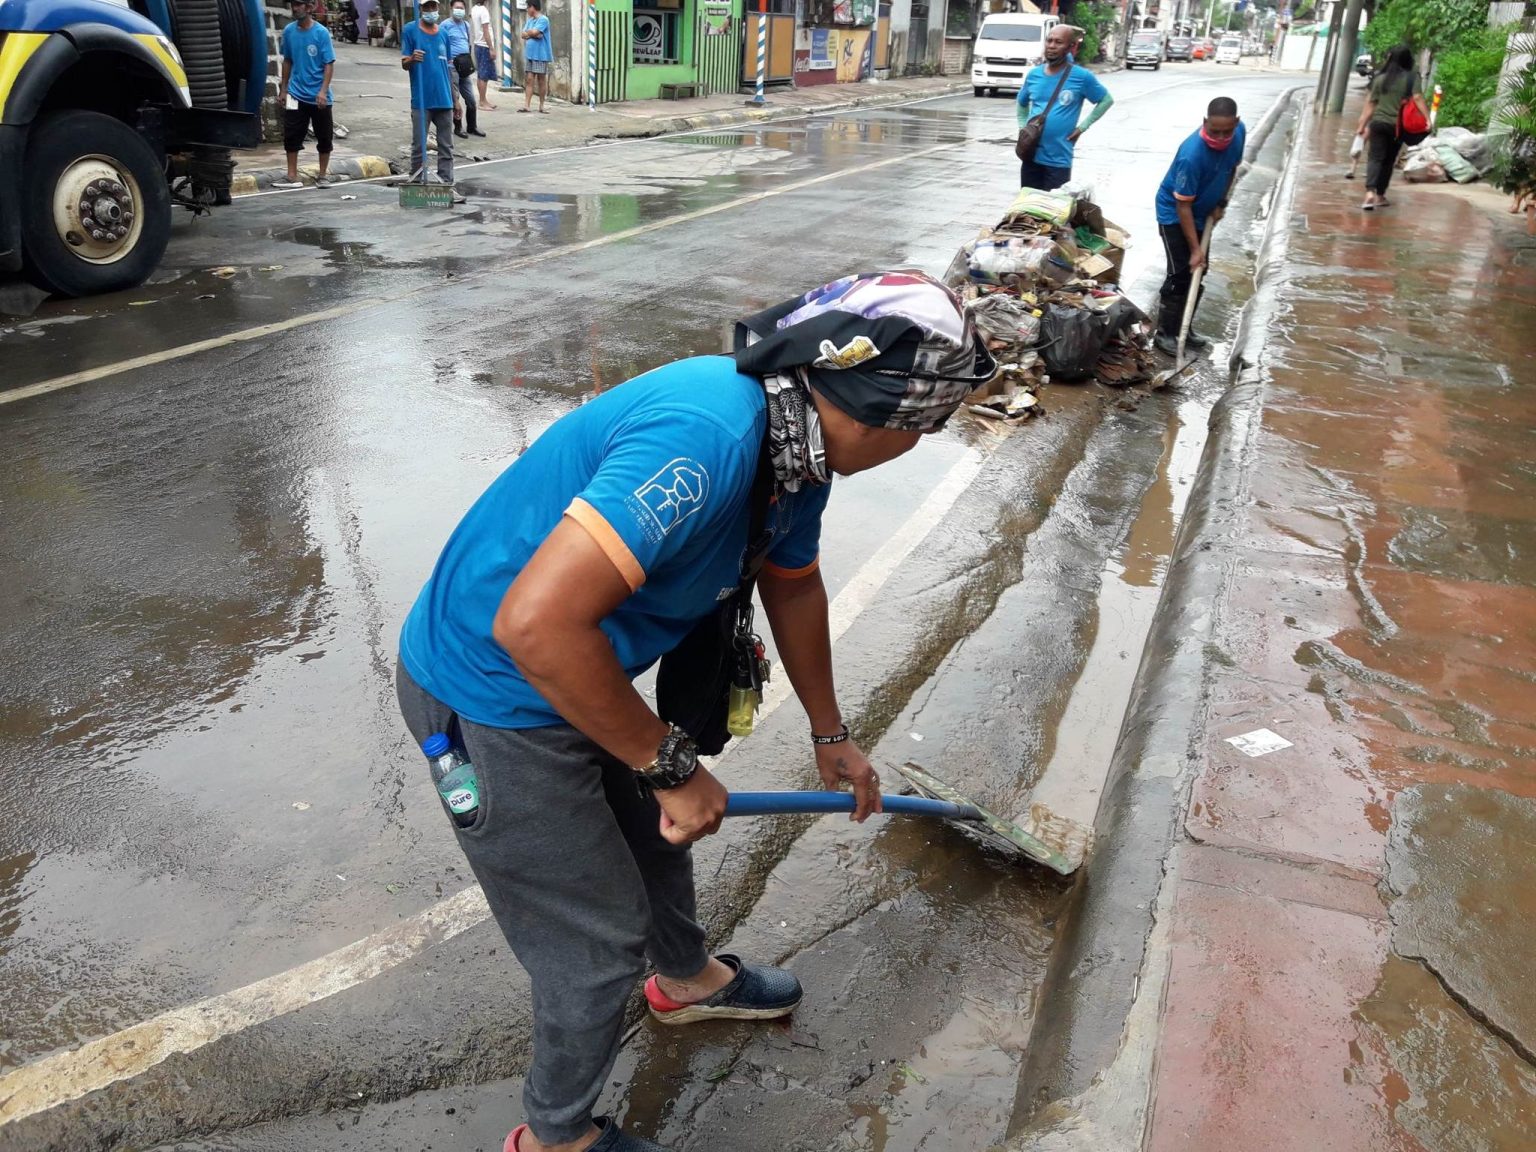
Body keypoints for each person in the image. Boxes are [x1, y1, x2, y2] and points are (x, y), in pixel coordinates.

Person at [395, 270, 994, 1152]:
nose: (918, 444)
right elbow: (536, 626)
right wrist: (669, 764)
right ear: (883, 416)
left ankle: (685, 980)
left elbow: (793, 583)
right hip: (493, 695)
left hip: (578, 674)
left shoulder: (796, 446)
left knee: (655, 844)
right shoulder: (707, 435)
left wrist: (831, 734)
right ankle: (557, 1136)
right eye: (925, 427)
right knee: (593, 944)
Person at [1152, 96, 1245, 357]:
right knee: (1180, 272)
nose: (1221, 137)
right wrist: (1195, 249)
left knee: (1199, 271)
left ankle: (1185, 328)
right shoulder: (1191, 154)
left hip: (1204, 211)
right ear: (1205, 122)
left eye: (1227, 132)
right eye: (1215, 131)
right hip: (1174, 214)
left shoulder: (1239, 133)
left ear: (1236, 123)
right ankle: (1165, 334)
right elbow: (1183, 207)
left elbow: (1232, 168)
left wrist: (1221, 202)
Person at [1015, 23, 1113, 190]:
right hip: (1031, 157)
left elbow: (1106, 100)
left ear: (1071, 46)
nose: (1052, 46)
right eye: (1049, 41)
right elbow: (1021, 103)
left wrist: (1082, 127)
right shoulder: (1034, 75)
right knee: (1029, 205)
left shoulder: (1082, 77)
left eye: (1058, 42)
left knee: (1055, 205)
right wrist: (1023, 128)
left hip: (1059, 161)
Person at [1354, 44, 1430, 211]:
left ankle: (1369, 192)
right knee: (1388, 160)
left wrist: (1362, 125)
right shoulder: (1411, 78)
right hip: (1397, 127)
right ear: (1408, 59)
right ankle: (1380, 195)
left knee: (1375, 158)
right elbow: (1417, 98)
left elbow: (1370, 105)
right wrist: (1427, 119)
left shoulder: (1380, 78)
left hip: (1378, 124)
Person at [401, 0, 464, 197]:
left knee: (446, 146)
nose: (430, 11)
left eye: (433, 7)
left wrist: (455, 100)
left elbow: (448, 69)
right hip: (422, 99)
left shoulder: (443, 34)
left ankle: (446, 184)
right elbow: (404, 63)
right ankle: (416, 183)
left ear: (438, 8)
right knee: (419, 145)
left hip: (444, 98)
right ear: (420, 9)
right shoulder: (410, 30)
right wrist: (412, 59)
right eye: (426, 7)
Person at [275, 0, 337, 190]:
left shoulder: (321, 33)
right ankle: (291, 175)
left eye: (299, 4)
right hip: (295, 93)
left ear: (309, 7)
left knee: (324, 136)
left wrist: (323, 91)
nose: (295, 8)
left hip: (319, 95)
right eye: (293, 4)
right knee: (291, 134)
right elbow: (287, 60)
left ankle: (323, 175)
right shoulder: (289, 31)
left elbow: (328, 64)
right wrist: (283, 89)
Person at [443, 2, 485, 138]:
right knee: (455, 98)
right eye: (457, 8)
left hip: (464, 67)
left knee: (471, 99)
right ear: (451, 8)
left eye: (461, 8)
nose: (459, 10)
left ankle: (472, 127)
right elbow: (440, 44)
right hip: (451, 67)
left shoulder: (466, 25)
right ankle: (458, 127)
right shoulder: (445, 25)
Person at [520, 0, 552, 114]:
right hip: (530, 55)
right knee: (529, 79)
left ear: (533, 7)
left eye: (528, 7)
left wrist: (532, 33)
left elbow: (535, 32)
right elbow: (524, 34)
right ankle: (526, 106)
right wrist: (533, 34)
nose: (527, 10)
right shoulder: (530, 20)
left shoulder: (543, 19)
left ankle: (542, 105)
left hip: (540, 55)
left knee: (541, 80)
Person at [471, 0, 501, 109]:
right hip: (484, 45)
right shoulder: (484, 11)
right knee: (484, 75)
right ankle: (482, 102)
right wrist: (491, 48)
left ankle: (483, 100)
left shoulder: (474, 9)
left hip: (478, 44)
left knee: (481, 74)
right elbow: (486, 30)